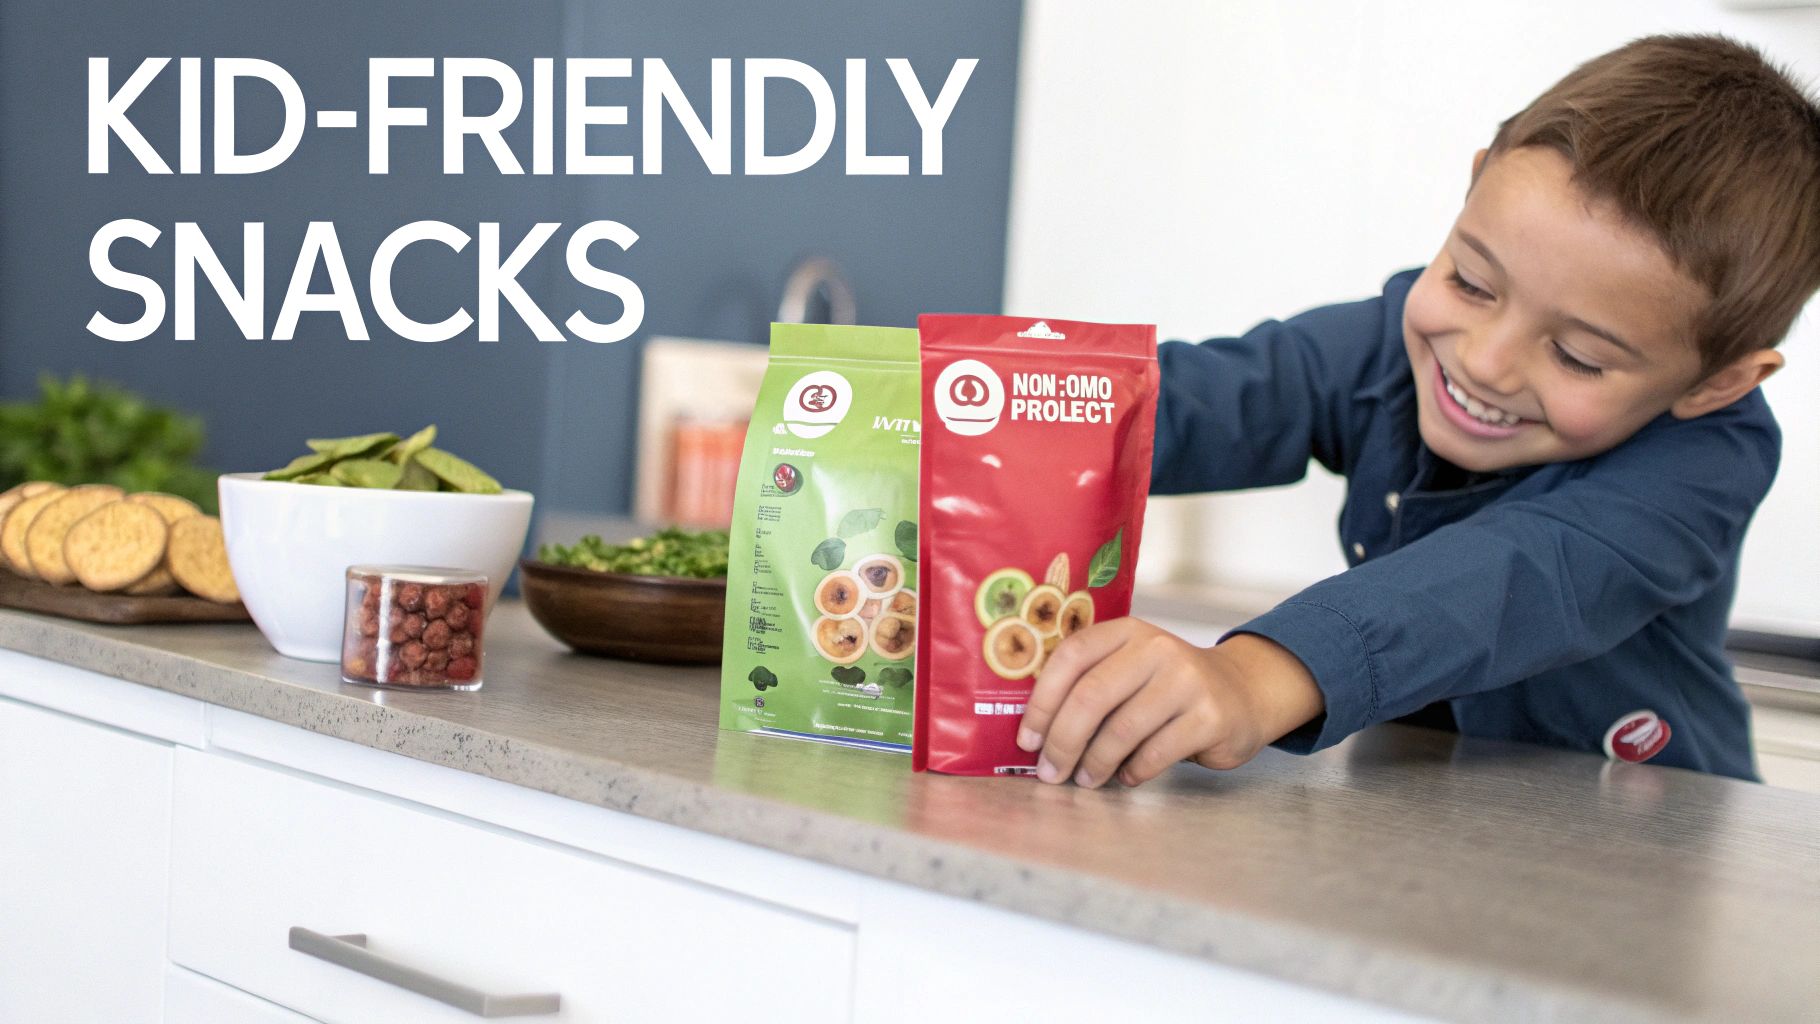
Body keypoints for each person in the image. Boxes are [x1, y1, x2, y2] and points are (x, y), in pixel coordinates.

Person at [1016, 34, 1820, 787]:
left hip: (1645, 839)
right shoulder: (1387, 345)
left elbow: (1514, 577)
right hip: (1429, 811)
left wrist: (1253, 675)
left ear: (1719, 382)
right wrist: (975, 414)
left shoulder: (1705, 465)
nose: (1484, 360)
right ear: (1474, 185)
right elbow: (1197, 401)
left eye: (1578, 356)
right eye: (1471, 282)